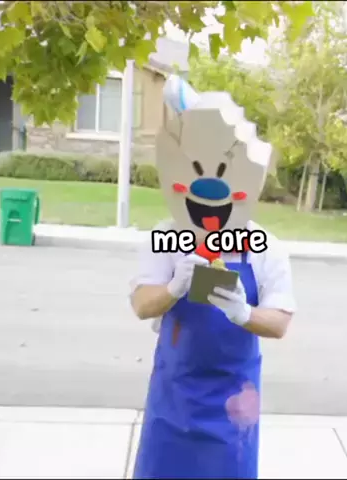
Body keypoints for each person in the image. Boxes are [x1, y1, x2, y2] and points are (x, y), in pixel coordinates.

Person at [130, 75, 296, 479]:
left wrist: (244, 313)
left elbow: (279, 322)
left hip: (234, 406)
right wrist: (174, 288)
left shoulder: (266, 248)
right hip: (174, 398)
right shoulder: (165, 239)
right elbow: (141, 304)